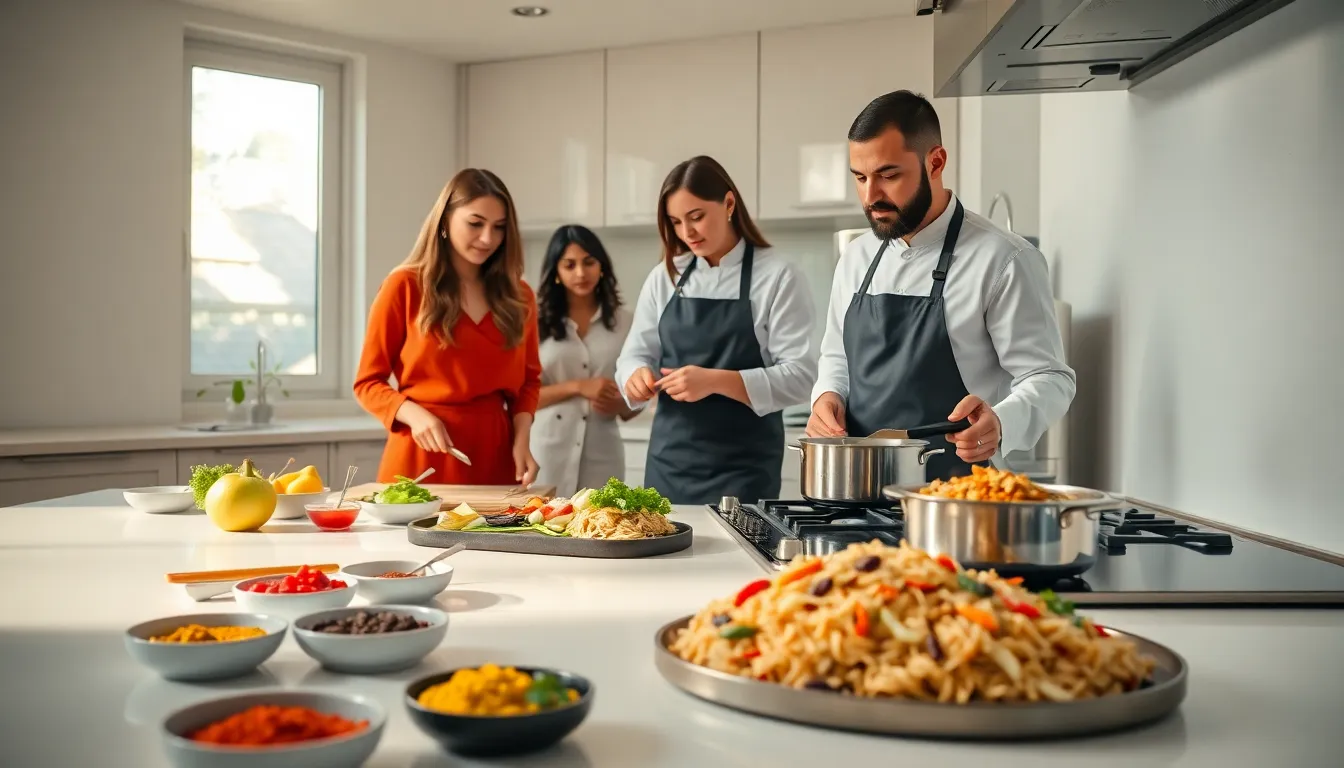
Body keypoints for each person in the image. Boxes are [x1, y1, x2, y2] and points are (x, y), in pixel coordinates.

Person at [807, 90, 1075, 481]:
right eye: (860, 178)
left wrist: (1001, 423)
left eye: (889, 175)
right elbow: (836, 359)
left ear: (935, 162)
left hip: (957, 499)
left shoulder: (1004, 258)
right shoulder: (856, 257)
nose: (870, 197)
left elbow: (1049, 378)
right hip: (856, 496)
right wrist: (826, 396)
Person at [616, 156, 818, 504]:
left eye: (696, 217)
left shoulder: (778, 275)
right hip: (669, 465)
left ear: (728, 203)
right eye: (676, 222)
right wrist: (634, 375)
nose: (686, 233)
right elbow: (635, 353)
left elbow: (801, 376)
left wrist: (713, 381)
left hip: (743, 470)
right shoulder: (665, 276)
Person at [354, 168, 541, 487]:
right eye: (475, 223)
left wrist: (522, 438)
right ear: (444, 220)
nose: (488, 239)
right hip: (420, 456)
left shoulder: (519, 296)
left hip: (495, 457)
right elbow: (368, 383)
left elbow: (528, 383)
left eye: (499, 228)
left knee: (494, 538)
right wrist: (413, 414)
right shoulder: (405, 286)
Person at [533, 225, 636, 496]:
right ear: (556, 271)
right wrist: (578, 386)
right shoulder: (533, 322)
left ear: (602, 266)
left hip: (604, 453)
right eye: (569, 265)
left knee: (603, 530)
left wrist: (623, 402)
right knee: (542, 529)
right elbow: (523, 398)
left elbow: (637, 397)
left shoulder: (627, 323)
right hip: (546, 453)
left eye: (589, 262)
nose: (580, 273)